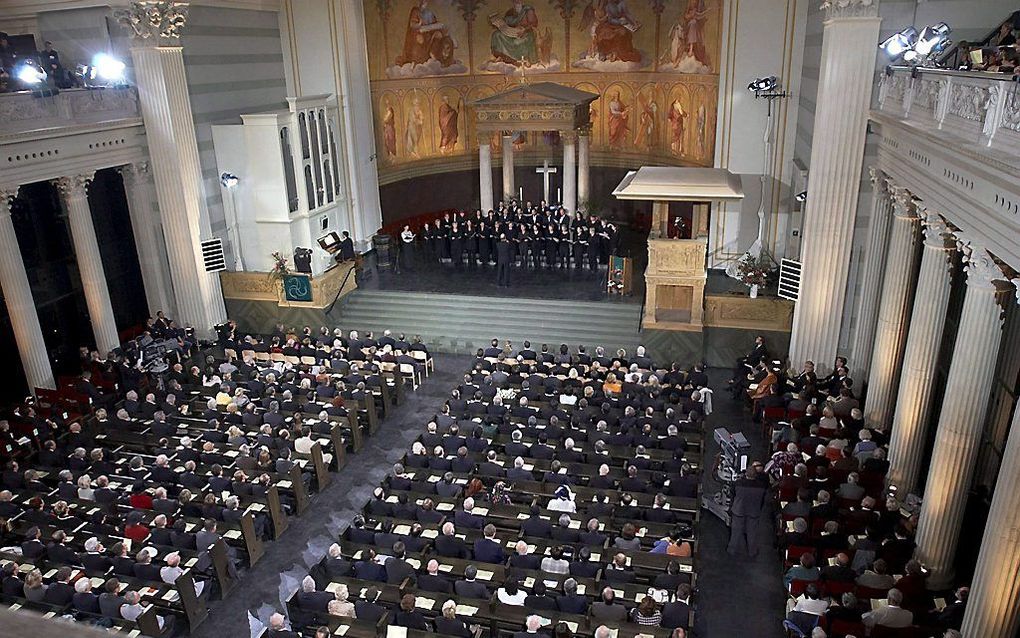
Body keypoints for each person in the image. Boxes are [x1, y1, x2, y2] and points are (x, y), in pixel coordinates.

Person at [728, 465, 767, 556]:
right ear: (756, 475)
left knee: (736, 533)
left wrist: (731, 507)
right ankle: (752, 552)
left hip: (739, 510)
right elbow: (762, 501)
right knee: (752, 533)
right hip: (754, 511)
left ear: (746, 474)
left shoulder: (737, 483)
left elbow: (732, 496)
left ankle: (731, 550)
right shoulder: (761, 486)